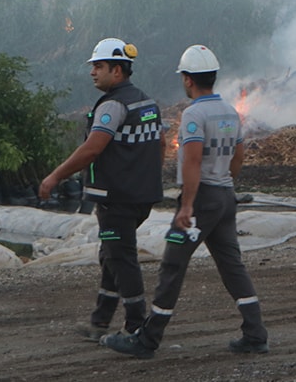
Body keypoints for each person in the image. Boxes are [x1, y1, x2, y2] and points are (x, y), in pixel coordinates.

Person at [102, 44, 269, 359]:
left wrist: (188, 206)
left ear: (188, 79)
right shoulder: (230, 111)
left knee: (172, 265)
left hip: (201, 200)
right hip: (224, 197)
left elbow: (191, 161)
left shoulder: (194, 114)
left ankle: (147, 340)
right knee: (232, 265)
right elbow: (238, 156)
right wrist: (226, 184)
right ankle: (255, 333)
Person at [38, 37, 164, 342]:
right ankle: (100, 321)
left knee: (121, 257)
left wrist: (54, 177)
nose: (93, 72)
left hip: (116, 198)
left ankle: (136, 327)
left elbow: (92, 148)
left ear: (117, 71)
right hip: (142, 196)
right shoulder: (146, 102)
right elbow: (160, 143)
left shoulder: (113, 105)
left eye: (99, 66)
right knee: (111, 254)